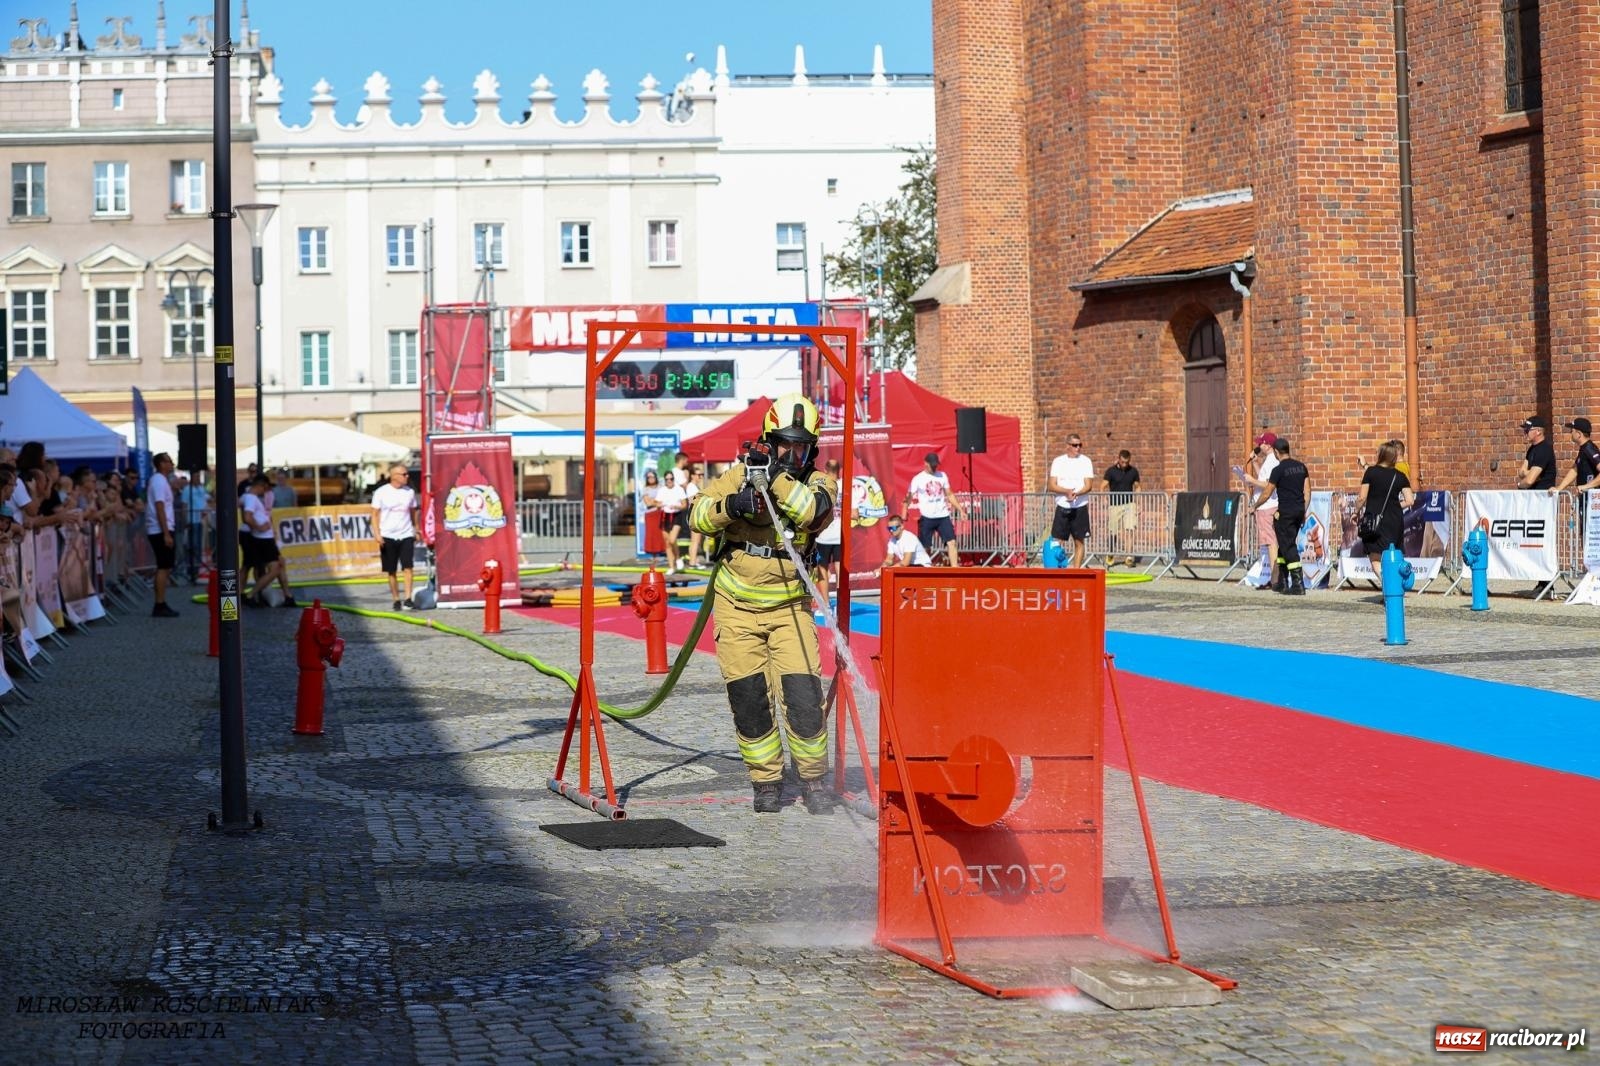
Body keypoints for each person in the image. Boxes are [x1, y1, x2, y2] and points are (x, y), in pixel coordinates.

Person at [687, 393, 838, 815]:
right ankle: (766, 781)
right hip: (736, 608)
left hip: (791, 607)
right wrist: (733, 505)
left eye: (801, 447)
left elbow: (811, 512)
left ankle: (812, 779)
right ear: (768, 440)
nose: (792, 454)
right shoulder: (738, 475)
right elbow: (695, 515)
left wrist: (772, 478)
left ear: (813, 449)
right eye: (784, 445)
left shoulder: (819, 481)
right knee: (749, 699)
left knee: (805, 698)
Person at [1249, 438, 1310, 595]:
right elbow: (1308, 492)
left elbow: (1267, 493)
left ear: (1276, 452)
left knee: (1288, 546)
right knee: (1284, 545)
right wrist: (1303, 510)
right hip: (1298, 511)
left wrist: (1254, 506)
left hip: (1285, 513)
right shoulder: (1301, 467)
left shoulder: (1278, 469)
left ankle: (1298, 583)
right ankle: (1281, 582)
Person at [1354, 440, 1415, 590]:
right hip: (1395, 521)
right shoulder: (1400, 476)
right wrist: (1393, 506)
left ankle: (1390, 587)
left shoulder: (1371, 472)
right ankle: (1394, 584)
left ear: (1381, 455)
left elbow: (1362, 498)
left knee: (1375, 557)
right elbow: (1410, 500)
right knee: (1392, 554)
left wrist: (1356, 512)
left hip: (1375, 521)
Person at [240, 474, 295, 607]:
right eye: (265, 488)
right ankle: (250, 594)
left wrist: (261, 527)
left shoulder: (248, 497)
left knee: (273, 565)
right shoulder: (251, 498)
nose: (266, 491)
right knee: (271, 568)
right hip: (262, 537)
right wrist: (259, 527)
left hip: (261, 536)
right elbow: (247, 517)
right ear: (261, 486)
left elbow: (247, 515)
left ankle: (287, 595)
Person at [372, 463, 420, 610]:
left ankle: (407, 597)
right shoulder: (381, 492)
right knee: (391, 570)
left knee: (408, 566)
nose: (407, 477)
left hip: (405, 534)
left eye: (407, 474)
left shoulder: (409, 492)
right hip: (388, 535)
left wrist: (416, 529)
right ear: (394, 477)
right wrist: (377, 534)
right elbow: (374, 514)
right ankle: (395, 598)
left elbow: (413, 512)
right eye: (404, 474)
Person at [905, 451, 963, 566]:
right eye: (932, 465)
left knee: (952, 542)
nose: (934, 467)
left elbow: (949, 494)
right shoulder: (918, 479)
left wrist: (960, 509)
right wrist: (904, 509)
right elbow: (909, 496)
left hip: (943, 516)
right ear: (925, 464)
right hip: (927, 517)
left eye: (936, 465)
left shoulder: (942, 475)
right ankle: (925, 569)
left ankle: (955, 570)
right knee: (925, 546)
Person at [1047, 434, 1094, 568]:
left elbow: (1088, 485)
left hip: (1080, 506)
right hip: (1063, 505)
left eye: (1080, 445)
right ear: (1068, 445)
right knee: (1057, 541)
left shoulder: (1086, 461)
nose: (1078, 448)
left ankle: (1076, 572)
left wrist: (1076, 493)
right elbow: (1051, 485)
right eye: (1074, 445)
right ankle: (1056, 570)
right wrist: (1066, 491)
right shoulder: (1058, 461)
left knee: (1079, 542)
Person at [1240, 432, 1280, 589]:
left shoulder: (1272, 461)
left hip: (1267, 505)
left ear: (1268, 445)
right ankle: (1275, 577)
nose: (1259, 446)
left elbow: (1269, 484)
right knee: (1270, 542)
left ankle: (1275, 578)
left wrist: (1252, 480)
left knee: (1271, 543)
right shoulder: (1269, 460)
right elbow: (1264, 479)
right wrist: (1256, 463)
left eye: (1261, 443)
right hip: (1265, 505)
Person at [145, 452, 179, 616]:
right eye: (168, 461)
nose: (172, 463)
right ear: (161, 464)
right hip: (159, 529)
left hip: (161, 528)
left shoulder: (161, 481)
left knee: (165, 566)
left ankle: (161, 602)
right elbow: (159, 506)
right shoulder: (158, 480)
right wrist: (166, 533)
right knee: (163, 566)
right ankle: (159, 604)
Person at [810, 458, 844, 614]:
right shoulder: (846, 486)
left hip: (824, 534)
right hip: (839, 534)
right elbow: (855, 513)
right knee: (839, 569)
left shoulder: (822, 485)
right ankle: (840, 604)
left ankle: (826, 605)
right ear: (839, 469)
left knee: (822, 569)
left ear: (825, 469)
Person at [1102, 449, 1141, 567]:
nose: (1125, 464)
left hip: (1129, 504)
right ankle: (1111, 554)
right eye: (1123, 462)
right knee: (1113, 531)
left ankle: (1129, 557)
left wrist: (1138, 503)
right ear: (1118, 459)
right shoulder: (1111, 471)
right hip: (1115, 504)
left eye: (1127, 462)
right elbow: (1103, 486)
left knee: (1130, 530)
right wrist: (1104, 498)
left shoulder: (1133, 471)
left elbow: (1138, 487)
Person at [656, 469, 687, 573]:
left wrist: (677, 506)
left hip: (676, 515)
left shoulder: (679, 489)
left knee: (672, 540)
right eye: (667, 479)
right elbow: (657, 503)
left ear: (674, 479)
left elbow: (684, 505)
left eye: (671, 479)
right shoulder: (662, 490)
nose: (669, 481)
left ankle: (678, 558)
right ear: (664, 480)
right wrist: (660, 504)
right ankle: (671, 566)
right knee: (667, 543)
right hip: (665, 515)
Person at [1516, 416, 1557, 491]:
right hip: (1534, 497)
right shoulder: (1532, 449)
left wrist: (1519, 485)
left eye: (1527, 430)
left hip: (1543, 498)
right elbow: (1521, 472)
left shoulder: (1544, 449)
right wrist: (1530, 473)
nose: (1525, 433)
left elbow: (1529, 481)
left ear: (1538, 431)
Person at [683, 465, 706, 568]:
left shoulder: (694, 486)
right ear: (692, 475)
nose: (701, 477)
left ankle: (693, 560)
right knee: (695, 540)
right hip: (694, 515)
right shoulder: (691, 486)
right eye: (699, 475)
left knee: (696, 540)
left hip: (695, 514)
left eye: (702, 475)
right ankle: (692, 562)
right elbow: (692, 500)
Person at [640, 469, 665, 558]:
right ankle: (653, 555)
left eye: (652, 476)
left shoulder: (661, 487)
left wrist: (654, 501)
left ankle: (662, 553)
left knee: (661, 534)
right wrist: (657, 502)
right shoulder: (645, 489)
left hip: (661, 513)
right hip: (650, 515)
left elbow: (663, 500)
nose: (650, 478)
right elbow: (648, 503)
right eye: (648, 477)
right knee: (652, 534)